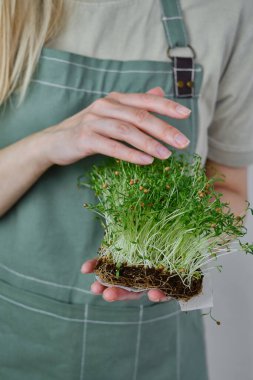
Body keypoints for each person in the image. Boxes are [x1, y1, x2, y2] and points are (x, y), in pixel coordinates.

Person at [0, 0, 252, 379]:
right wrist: (46, 145)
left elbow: (230, 188)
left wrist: (168, 257)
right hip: (14, 333)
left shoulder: (226, 11)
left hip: (152, 348)